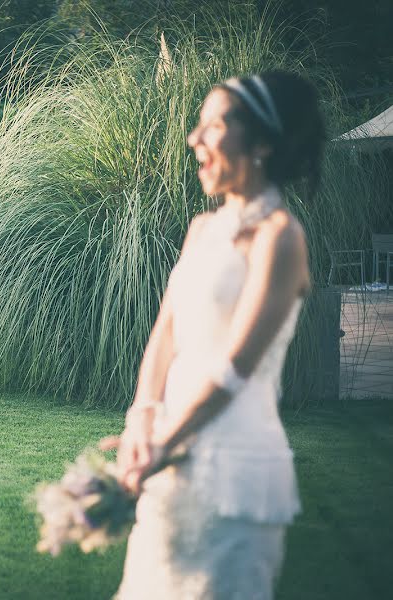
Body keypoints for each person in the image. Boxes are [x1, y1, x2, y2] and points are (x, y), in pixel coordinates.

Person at [106, 71, 325, 599]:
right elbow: (166, 331)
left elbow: (233, 369)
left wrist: (165, 440)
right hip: (169, 458)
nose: (194, 140)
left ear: (262, 143)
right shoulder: (201, 230)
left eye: (212, 127)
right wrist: (141, 418)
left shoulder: (281, 239)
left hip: (235, 470)